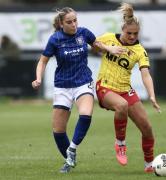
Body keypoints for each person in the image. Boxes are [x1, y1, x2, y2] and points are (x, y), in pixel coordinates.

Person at [32, 7, 122, 173]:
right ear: (61, 24)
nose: (73, 24)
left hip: (83, 82)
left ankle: (72, 149)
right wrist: (38, 78)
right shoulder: (55, 39)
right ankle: (69, 160)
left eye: (75, 20)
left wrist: (109, 49)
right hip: (62, 86)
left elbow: (97, 44)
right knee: (58, 131)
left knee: (86, 113)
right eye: (69, 22)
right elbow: (43, 61)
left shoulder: (83, 33)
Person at [95, 3, 161, 173]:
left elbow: (145, 74)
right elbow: (93, 44)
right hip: (105, 86)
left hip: (125, 89)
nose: (132, 36)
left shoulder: (140, 51)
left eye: (135, 33)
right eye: (129, 33)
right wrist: (106, 47)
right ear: (123, 29)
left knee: (147, 128)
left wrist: (152, 95)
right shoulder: (109, 37)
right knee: (122, 105)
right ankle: (120, 144)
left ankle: (149, 164)